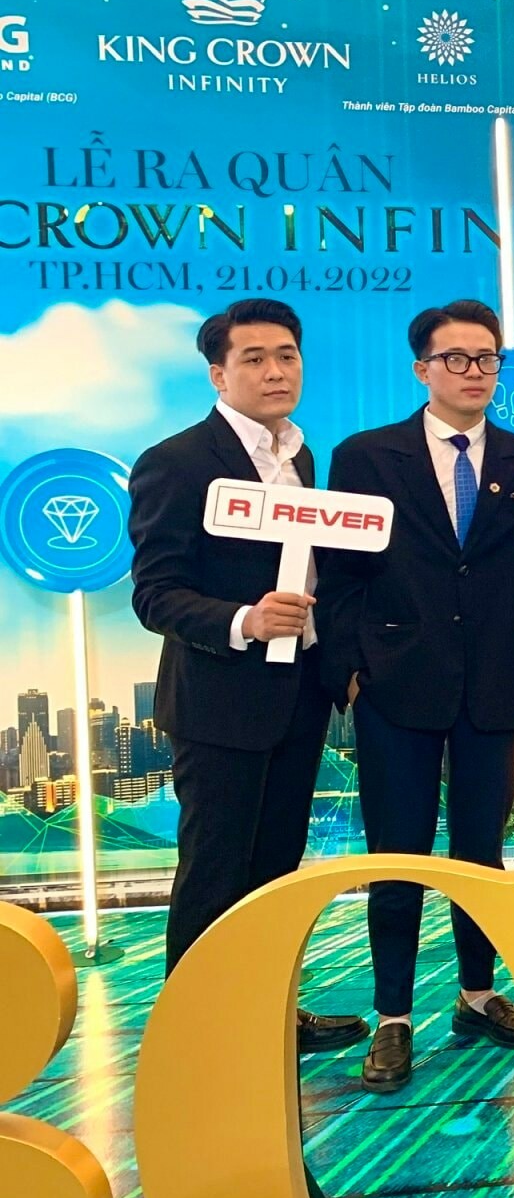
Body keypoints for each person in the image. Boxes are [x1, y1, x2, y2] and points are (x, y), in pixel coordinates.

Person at [321, 298, 514, 1092]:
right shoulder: (366, 457)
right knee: (396, 854)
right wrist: (349, 668)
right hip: (397, 684)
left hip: (497, 685)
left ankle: (477, 996)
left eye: (487, 358)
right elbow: (339, 573)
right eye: (457, 359)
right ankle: (394, 1017)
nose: (475, 372)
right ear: (422, 369)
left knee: (481, 853)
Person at [126, 298, 365, 1052]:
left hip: (298, 699)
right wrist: (245, 620)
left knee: (274, 871)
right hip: (219, 703)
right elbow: (155, 594)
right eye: (254, 358)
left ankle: (267, 1015)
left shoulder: (301, 457)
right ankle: (198, 1033)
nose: (274, 371)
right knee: (215, 871)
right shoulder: (177, 462)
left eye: (287, 355)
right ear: (218, 374)